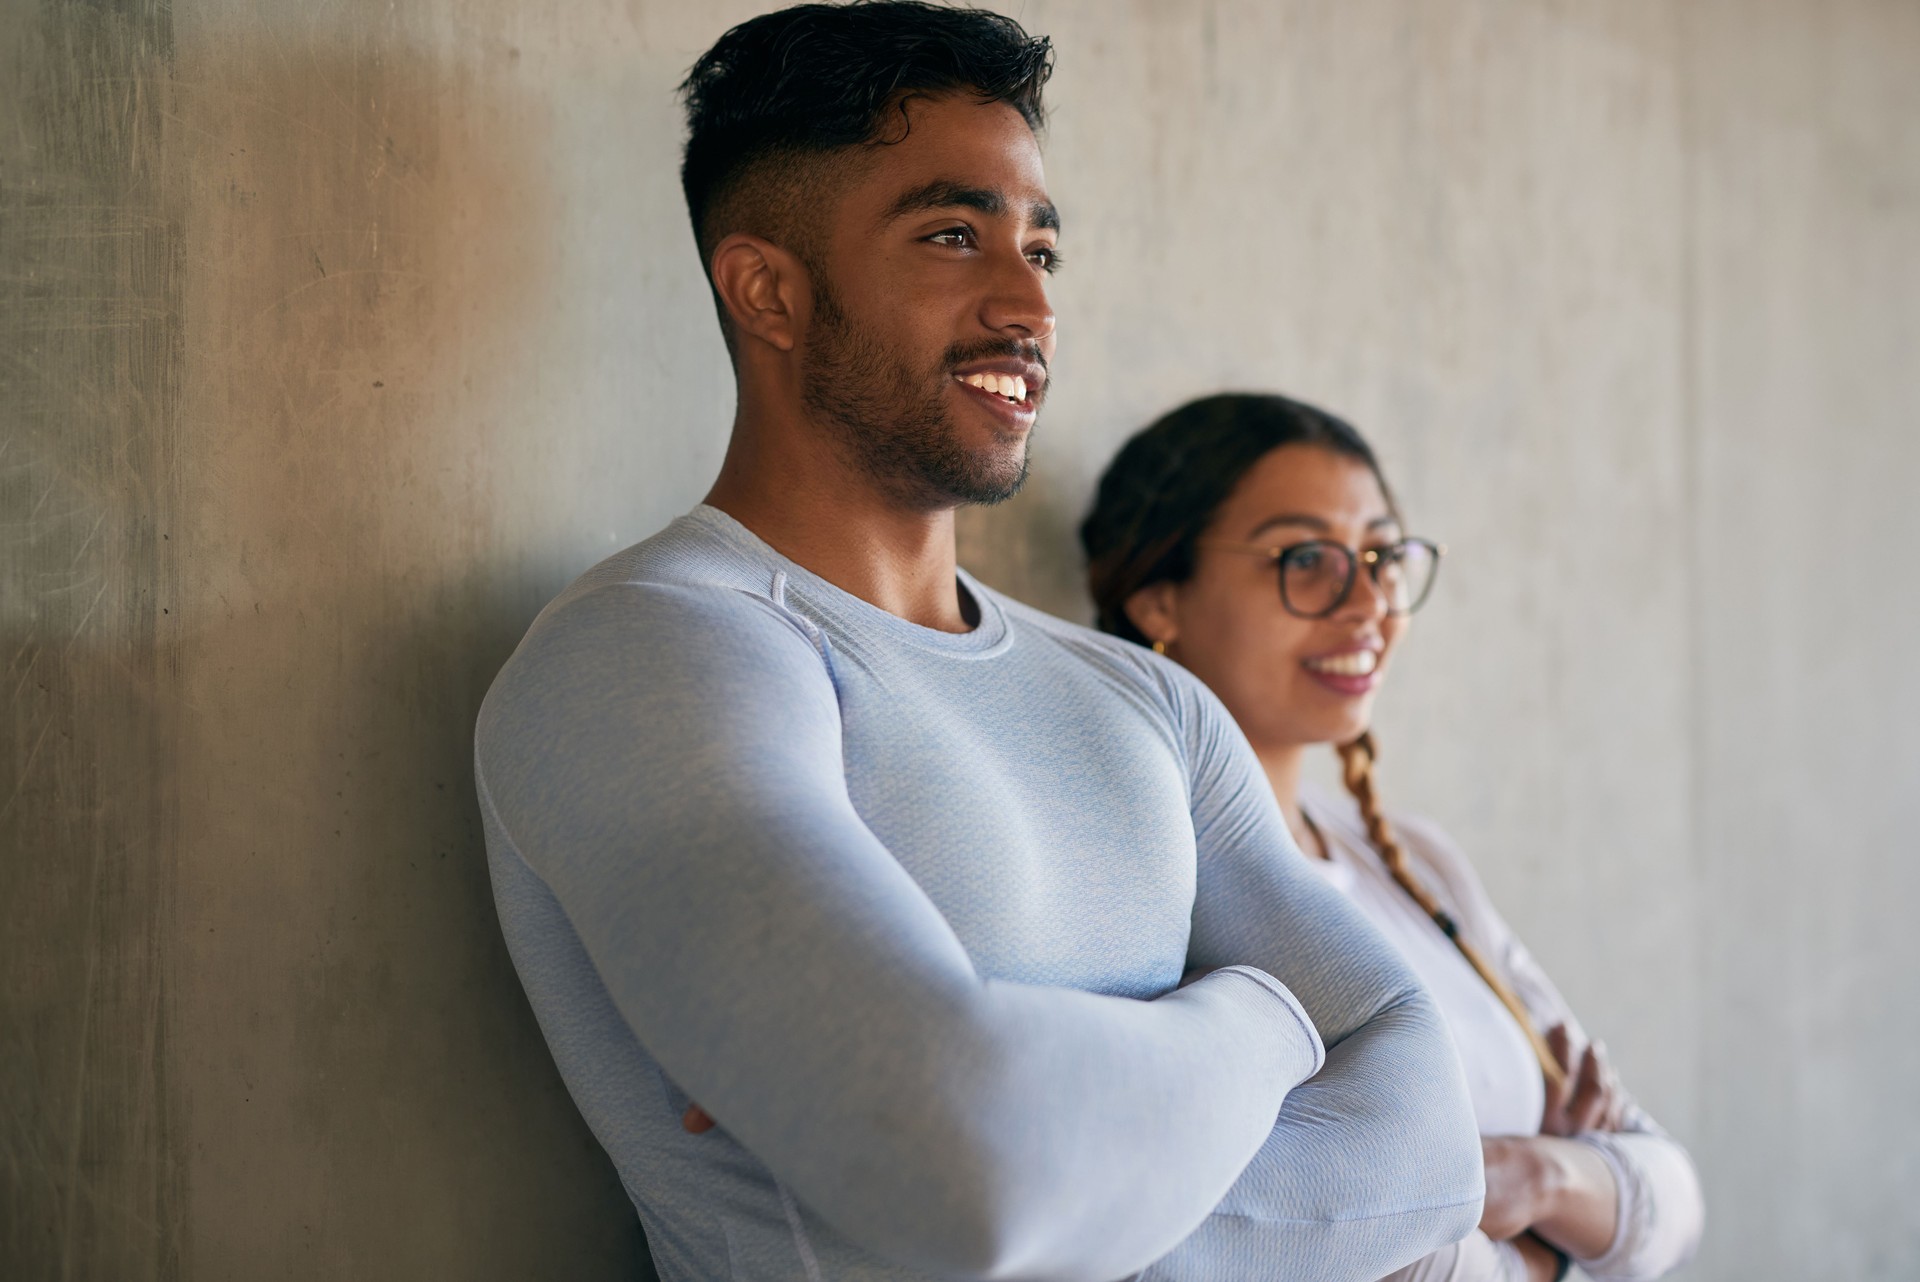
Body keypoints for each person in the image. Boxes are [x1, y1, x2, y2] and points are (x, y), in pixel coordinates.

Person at [475, 7, 1485, 1280]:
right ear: (768, 290)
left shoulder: (1145, 701)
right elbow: (973, 1175)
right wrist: (1273, 1024)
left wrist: (1072, 1160)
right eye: (953, 236)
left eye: (1043, 248)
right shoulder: (648, 658)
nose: (1029, 307)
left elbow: (1432, 1142)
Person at [1082, 393, 1707, 1282]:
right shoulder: (1134, 889)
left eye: (1382, 556)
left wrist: (1526, 1177)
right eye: (1308, 559)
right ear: (1158, 599)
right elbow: (1237, 1237)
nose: (1369, 602)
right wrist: (1558, 1229)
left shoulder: (1417, 865)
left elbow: (1673, 1197)